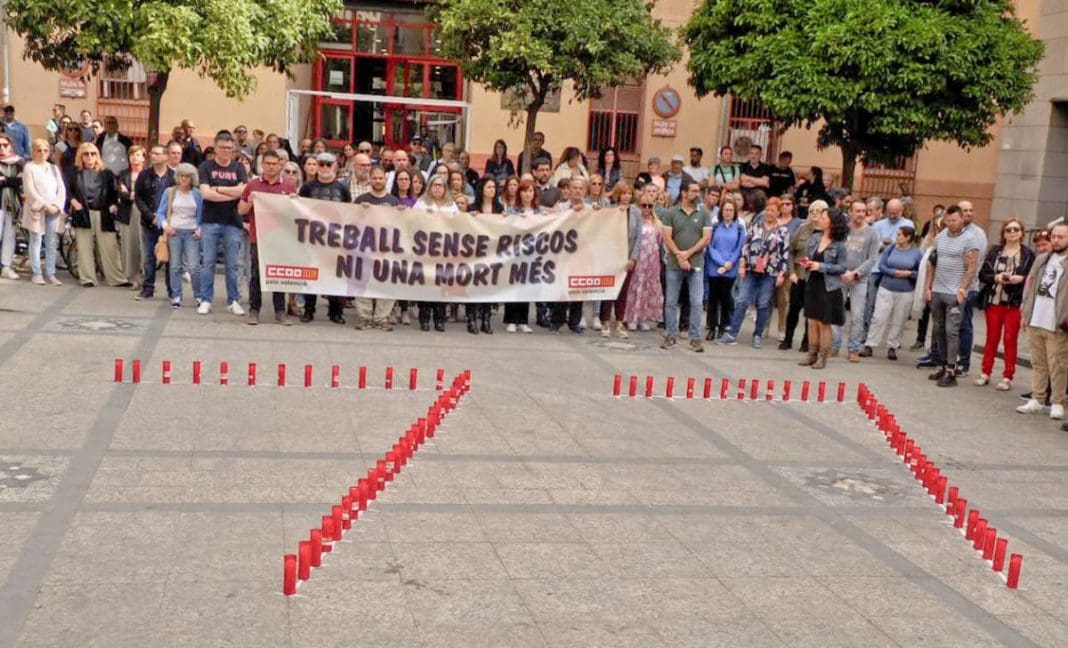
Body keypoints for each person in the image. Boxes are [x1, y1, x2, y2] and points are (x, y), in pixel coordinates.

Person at [716, 196, 789, 348]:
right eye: (767, 210)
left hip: (770, 272)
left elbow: (785, 254)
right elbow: (746, 246)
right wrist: (742, 264)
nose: (769, 213)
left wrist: (782, 273)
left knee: (763, 303)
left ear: (778, 212)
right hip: (751, 269)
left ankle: (757, 335)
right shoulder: (755, 226)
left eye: (773, 211)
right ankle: (732, 334)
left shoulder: (783, 231)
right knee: (742, 300)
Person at [924, 205, 981, 388]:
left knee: (952, 331)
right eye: (948, 220)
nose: (951, 223)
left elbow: (972, 267)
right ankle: (941, 364)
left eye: (955, 220)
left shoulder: (970, 239)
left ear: (962, 219)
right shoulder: (940, 237)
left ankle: (951, 370)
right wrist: (928, 287)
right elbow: (932, 263)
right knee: (938, 329)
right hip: (938, 290)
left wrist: (962, 289)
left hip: (955, 292)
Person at [975, 219, 1034, 390]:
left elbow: (1032, 278)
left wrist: (1020, 279)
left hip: (1014, 303)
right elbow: (983, 274)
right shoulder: (995, 251)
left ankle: (1008, 376)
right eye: (1009, 229)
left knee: (1010, 339)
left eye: (1016, 229)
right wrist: (996, 277)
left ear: (1022, 233)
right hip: (994, 300)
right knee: (991, 338)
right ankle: (985, 372)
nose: (1012, 232)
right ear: (1003, 233)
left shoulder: (1028, 254)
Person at [238, 149, 295, 325]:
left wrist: (295, 201)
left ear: (280, 165)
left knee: (279, 274)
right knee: (256, 274)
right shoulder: (252, 185)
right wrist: (250, 201)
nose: (271, 167)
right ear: (262, 164)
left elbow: (295, 215)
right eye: (268, 163)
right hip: (259, 237)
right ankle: (254, 310)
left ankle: (280, 311)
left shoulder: (288, 187)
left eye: (274, 164)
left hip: (280, 239)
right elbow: (241, 210)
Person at [1017, 223, 1068, 420]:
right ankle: (1037, 398)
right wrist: (1025, 313)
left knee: (1058, 365)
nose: (1056, 240)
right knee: (1038, 363)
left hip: (1057, 323)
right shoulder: (1042, 259)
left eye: (1060, 237)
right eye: (1054, 236)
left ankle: (1057, 401)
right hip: (1036, 317)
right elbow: (1029, 286)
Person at [197, 131, 248, 316]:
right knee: (208, 262)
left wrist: (218, 188)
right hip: (210, 221)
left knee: (232, 264)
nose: (226, 151)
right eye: (222, 147)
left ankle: (233, 300)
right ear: (215, 147)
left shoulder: (238, 168)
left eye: (229, 148)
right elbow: (205, 194)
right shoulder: (206, 167)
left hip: (232, 221)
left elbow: (244, 192)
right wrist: (230, 193)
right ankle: (205, 300)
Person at [298, 152, 351, 324]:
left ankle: (335, 312)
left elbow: (349, 212)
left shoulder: (343, 189)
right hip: (313, 239)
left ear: (335, 166)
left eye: (329, 164)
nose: (325, 168)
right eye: (322, 164)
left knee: (335, 276)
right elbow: (299, 208)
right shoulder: (307, 187)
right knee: (311, 274)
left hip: (335, 239)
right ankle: (309, 310)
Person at [64, 142, 126, 287]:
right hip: (83, 212)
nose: (90, 157)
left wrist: (114, 205)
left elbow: (114, 192)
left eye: (93, 154)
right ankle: (87, 278)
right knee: (84, 247)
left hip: (103, 213)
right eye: (86, 154)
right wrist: (73, 202)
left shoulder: (107, 173)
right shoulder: (73, 172)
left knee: (110, 246)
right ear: (81, 156)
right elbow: (66, 190)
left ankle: (116, 278)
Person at [661, 181, 712, 351]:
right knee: (671, 302)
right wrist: (679, 256)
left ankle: (695, 338)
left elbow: (706, 238)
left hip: (696, 264)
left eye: (698, 191)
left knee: (697, 302)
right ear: (684, 193)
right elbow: (667, 238)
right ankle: (670, 336)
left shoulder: (704, 212)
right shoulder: (671, 212)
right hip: (674, 264)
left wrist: (687, 254)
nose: (697, 194)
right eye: (693, 191)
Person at [797, 207, 849, 369]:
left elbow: (842, 267)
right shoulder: (815, 238)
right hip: (813, 282)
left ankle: (822, 356)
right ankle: (812, 354)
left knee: (823, 323)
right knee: (811, 321)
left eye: (824, 216)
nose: (820, 218)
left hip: (828, 287)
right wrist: (806, 262)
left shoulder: (839, 245)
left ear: (832, 222)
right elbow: (808, 256)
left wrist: (821, 266)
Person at [862, 226, 923, 359]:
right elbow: (882, 266)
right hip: (886, 287)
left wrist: (909, 273)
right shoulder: (890, 249)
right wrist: (893, 272)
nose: (897, 236)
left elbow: (920, 272)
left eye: (900, 235)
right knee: (878, 317)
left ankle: (892, 346)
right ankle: (870, 345)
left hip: (905, 291)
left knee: (899, 320)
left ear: (908, 238)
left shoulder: (916, 253)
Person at [832, 200, 881, 361]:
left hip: (860, 279)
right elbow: (836, 250)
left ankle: (853, 348)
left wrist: (855, 273)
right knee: (836, 312)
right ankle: (834, 345)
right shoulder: (843, 230)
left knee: (857, 315)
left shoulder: (872, 233)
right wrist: (841, 270)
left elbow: (872, 258)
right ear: (850, 212)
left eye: (863, 211)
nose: (860, 214)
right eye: (857, 211)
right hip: (841, 276)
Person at [353, 166, 399, 330]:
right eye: (375, 178)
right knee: (362, 281)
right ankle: (365, 317)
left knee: (386, 283)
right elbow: (352, 223)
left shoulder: (394, 201)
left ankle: (381, 318)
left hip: (386, 249)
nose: (378, 181)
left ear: (385, 180)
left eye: (380, 178)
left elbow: (399, 225)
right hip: (364, 247)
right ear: (370, 179)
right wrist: (360, 212)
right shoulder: (360, 200)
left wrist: (401, 212)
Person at [413, 175, 458, 331]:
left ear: (445, 188)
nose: (437, 188)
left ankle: (439, 319)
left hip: (444, 253)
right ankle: (424, 319)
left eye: (440, 185)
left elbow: (459, 225)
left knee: (441, 287)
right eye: (434, 185)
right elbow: (411, 223)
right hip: (425, 252)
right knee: (426, 286)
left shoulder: (451, 206)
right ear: (429, 187)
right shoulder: (420, 204)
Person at [597, 181, 641, 338]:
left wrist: (633, 258)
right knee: (609, 290)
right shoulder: (610, 210)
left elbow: (638, 237)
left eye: (629, 193)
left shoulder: (636, 212)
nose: (626, 197)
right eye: (623, 193)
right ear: (617, 195)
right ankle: (605, 322)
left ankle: (620, 322)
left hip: (628, 258)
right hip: (611, 257)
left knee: (623, 292)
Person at [156, 163, 203, 309]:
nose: (184, 179)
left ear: (192, 178)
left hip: (191, 233)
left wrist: (200, 229)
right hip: (174, 232)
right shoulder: (170, 192)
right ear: (178, 177)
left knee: (194, 267)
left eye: (187, 176)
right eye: (182, 176)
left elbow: (203, 214)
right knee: (175, 266)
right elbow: (160, 213)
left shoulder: (197, 193)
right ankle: (176, 296)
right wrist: (166, 226)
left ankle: (199, 295)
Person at [20, 139, 65, 285]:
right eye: (39, 150)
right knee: (36, 240)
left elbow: (61, 188)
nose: (42, 153)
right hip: (37, 209)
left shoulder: (53, 168)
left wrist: (57, 205)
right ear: (34, 151)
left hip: (53, 209)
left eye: (45, 150)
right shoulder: (29, 167)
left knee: (52, 241)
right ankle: (37, 272)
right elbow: (30, 190)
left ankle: (51, 273)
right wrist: (46, 205)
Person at [134, 144, 174, 301]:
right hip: (149, 222)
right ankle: (148, 289)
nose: (153, 156)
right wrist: (151, 216)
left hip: (168, 224)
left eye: (157, 153)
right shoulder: (144, 175)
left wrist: (167, 218)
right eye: (152, 153)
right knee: (149, 257)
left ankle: (172, 290)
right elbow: (139, 198)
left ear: (165, 156)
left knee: (170, 258)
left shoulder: (173, 176)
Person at [503, 178, 542, 333]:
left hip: (532, 255)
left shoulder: (538, 211)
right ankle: (511, 320)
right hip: (515, 254)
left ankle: (523, 321)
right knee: (512, 286)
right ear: (520, 193)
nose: (528, 194)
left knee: (526, 287)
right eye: (525, 191)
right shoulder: (513, 210)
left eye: (531, 191)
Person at [705, 198, 745, 341]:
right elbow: (710, 246)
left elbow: (739, 248)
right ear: (721, 211)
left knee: (726, 298)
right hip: (714, 268)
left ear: (734, 212)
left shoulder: (739, 229)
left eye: (730, 210)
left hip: (730, 269)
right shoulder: (715, 226)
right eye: (725, 210)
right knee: (713, 299)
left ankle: (723, 327)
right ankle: (711, 327)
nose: (728, 213)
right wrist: (721, 263)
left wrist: (729, 263)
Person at [956, 200, 988, 376]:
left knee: (964, 325)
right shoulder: (953, 231)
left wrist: (963, 287)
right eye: (964, 210)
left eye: (971, 210)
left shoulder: (977, 234)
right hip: (949, 285)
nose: (969, 213)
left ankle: (964, 363)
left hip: (968, 287)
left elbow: (974, 264)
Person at [625, 196, 664, 331]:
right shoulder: (635, 220)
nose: (647, 208)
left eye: (650, 206)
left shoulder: (657, 223)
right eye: (644, 205)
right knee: (635, 287)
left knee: (648, 288)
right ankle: (631, 317)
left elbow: (659, 241)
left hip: (652, 260)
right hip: (638, 257)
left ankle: (643, 317)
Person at [115, 145, 146, 290]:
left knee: (144, 245)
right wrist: (131, 195)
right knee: (129, 245)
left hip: (144, 212)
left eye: (138, 155)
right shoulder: (123, 174)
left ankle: (145, 278)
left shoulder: (148, 174)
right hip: (127, 213)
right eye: (132, 155)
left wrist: (132, 194)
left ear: (144, 158)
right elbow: (121, 193)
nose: (135, 157)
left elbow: (148, 193)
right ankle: (132, 277)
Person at [0, 134, 24, 281]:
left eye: (5, 145)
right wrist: (12, 181)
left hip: (13, 204)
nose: (2, 148)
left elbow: (21, 181)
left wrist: (5, 180)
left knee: (10, 235)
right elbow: (16, 180)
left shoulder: (19, 161)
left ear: (11, 146)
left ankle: (6, 266)